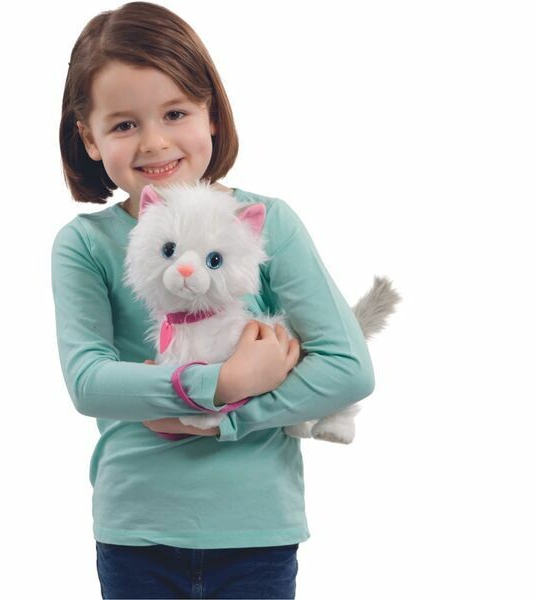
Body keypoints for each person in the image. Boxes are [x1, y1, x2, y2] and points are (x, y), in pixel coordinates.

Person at [52, 2, 375, 597]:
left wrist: (226, 414)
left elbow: (348, 369)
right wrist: (221, 382)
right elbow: (89, 382)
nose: (154, 142)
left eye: (175, 113)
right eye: (123, 125)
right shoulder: (86, 244)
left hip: (256, 530)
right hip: (137, 530)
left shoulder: (265, 223)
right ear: (89, 138)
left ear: (212, 115)